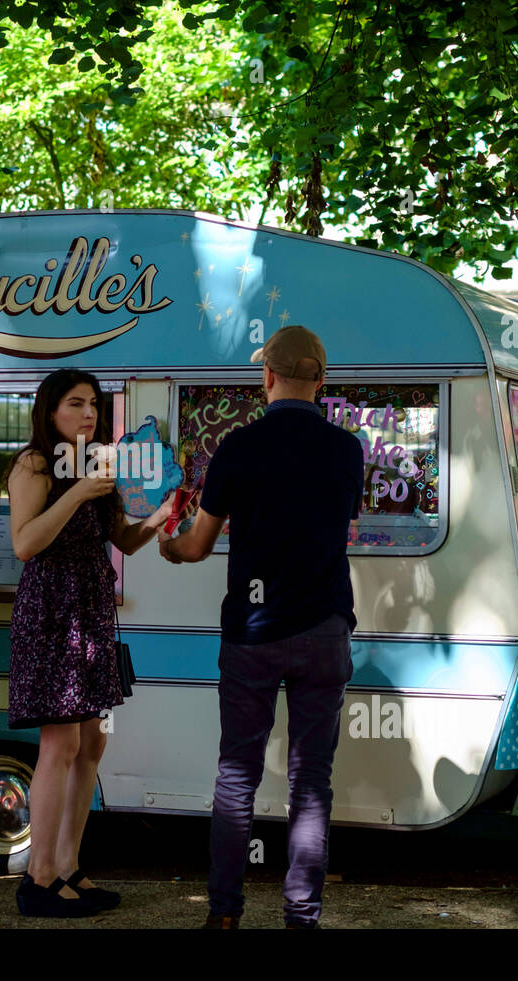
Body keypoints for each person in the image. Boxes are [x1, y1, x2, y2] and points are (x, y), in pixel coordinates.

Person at [159, 326, 363, 930]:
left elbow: (197, 547)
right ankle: (301, 919)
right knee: (311, 783)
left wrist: (168, 546)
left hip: (253, 633)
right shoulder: (346, 449)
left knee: (237, 775)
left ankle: (224, 916)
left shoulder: (237, 447)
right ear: (322, 380)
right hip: (326, 629)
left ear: (266, 377)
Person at [5, 368, 175, 917]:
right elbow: (26, 543)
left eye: (94, 406)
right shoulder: (35, 463)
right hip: (53, 612)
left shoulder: (103, 461)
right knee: (61, 745)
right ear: (50, 410)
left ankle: (69, 866)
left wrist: (161, 516)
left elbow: (121, 538)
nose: (88, 414)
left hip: (91, 612)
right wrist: (77, 491)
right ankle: (39, 876)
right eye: (76, 404)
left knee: (92, 743)